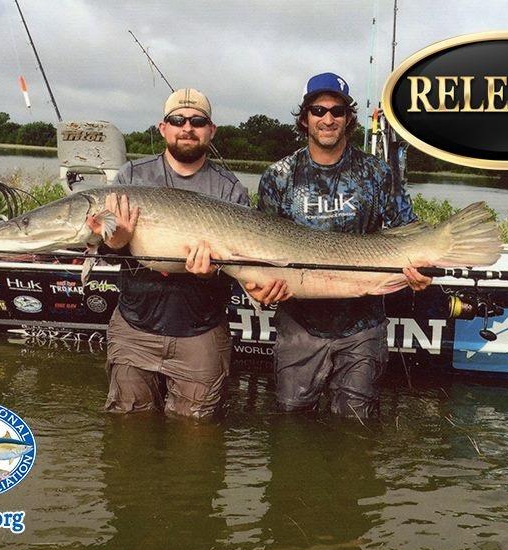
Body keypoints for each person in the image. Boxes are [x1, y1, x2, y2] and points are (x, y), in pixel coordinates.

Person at [246, 72, 431, 418]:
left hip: (363, 328)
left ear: (348, 118)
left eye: (337, 111)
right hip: (298, 326)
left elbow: (408, 230)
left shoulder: (377, 172)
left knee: (355, 426)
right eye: (318, 110)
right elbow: (261, 247)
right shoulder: (278, 176)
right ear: (305, 118)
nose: (328, 119)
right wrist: (259, 287)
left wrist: (423, 268)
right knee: (292, 424)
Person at [94, 88, 249, 419]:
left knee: (195, 432)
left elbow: (238, 267)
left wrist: (212, 272)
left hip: (200, 332)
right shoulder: (131, 177)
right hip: (135, 328)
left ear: (211, 130)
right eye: (177, 120)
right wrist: (116, 242)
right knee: (128, 426)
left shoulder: (230, 189)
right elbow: (108, 255)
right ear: (163, 128)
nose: (187, 127)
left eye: (198, 121)